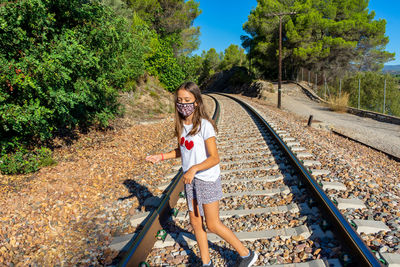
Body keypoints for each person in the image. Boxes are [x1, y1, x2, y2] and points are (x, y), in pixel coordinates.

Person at [146, 82, 258, 267]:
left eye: (187, 100)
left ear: (196, 102)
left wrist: (194, 169)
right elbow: (184, 149)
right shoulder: (182, 124)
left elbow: (214, 158)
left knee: (213, 224)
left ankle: (246, 254)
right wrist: (162, 156)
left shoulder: (205, 125)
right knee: (196, 223)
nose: (183, 104)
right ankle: (206, 262)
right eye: (180, 100)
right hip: (191, 180)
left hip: (206, 179)